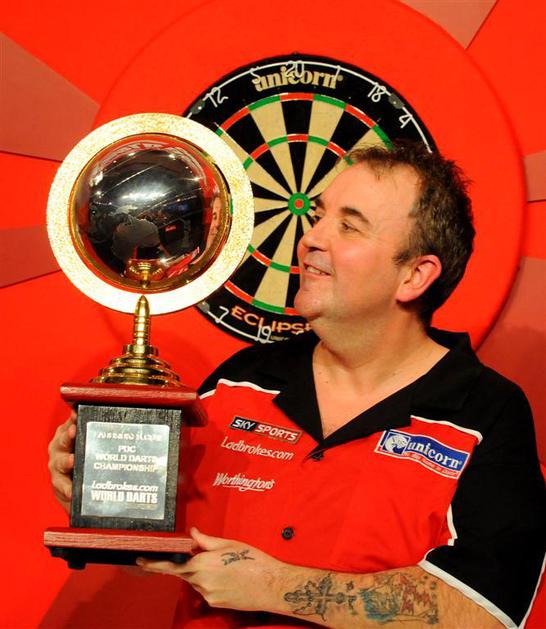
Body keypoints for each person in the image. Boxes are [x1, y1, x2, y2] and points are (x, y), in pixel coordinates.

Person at [48, 142, 545, 628]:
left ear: (415, 275)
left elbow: (484, 611)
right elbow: (154, 535)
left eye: (349, 226)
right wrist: (102, 489)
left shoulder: (486, 413)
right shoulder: (238, 383)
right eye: (320, 216)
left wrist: (277, 586)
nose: (310, 238)